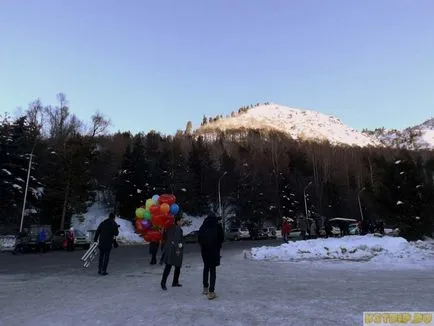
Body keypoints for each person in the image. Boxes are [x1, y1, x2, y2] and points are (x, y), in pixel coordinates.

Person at [198, 214, 224, 300]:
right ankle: (211, 291)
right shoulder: (217, 226)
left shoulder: (203, 226)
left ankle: (205, 288)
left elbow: (199, 239)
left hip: (205, 251)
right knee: (213, 270)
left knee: (206, 268)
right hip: (214, 251)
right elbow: (221, 238)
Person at [160, 216, 184, 290]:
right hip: (174, 250)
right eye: (181, 220)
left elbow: (164, 237)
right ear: (177, 221)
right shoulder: (177, 228)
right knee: (171, 266)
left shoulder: (169, 227)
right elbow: (176, 239)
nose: (183, 222)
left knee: (174, 266)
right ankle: (164, 283)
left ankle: (174, 282)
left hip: (169, 249)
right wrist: (177, 249)